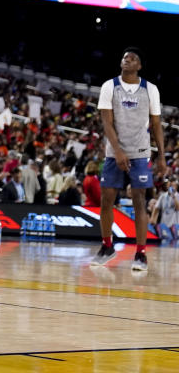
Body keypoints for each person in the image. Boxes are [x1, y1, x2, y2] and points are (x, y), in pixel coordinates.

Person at [92, 48, 165, 271]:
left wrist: (161, 155)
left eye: (133, 58)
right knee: (106, 201)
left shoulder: (150, 89)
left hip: (141, 152)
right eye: (125, 57)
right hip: (115, 153)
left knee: (140, 202)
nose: (127, 60)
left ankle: (141, 254)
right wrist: (119, 151)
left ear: (139, 66)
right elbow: (106, 122)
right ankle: (107, 246)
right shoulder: (109, 86)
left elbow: (156, 124)